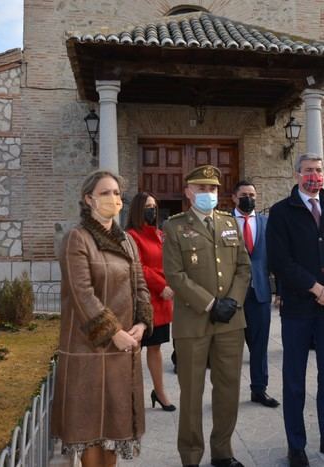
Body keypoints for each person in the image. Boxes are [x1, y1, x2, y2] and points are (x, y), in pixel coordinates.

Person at [52, 170, 153, 467]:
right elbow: (82, 294)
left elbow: (140, 286)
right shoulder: (77, 239)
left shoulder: (127, 241)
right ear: (88, 199)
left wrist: (141, 324)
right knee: (90, 432)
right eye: (105, 193)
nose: (114, 199)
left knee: (114, 429)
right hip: (89, 351)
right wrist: (114, 332)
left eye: (117, 194)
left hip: (122, 351)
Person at [267, 153, 324, 467]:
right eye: (308, 170)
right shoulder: (281, 212)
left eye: (319, 171)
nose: (314, 176)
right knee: (294, 380)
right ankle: (296, 446)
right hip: (298, 309)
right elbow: (280, 261)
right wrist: (317, 289)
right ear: (296, 175)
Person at [162, 165, 251, 467]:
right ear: (187, 192)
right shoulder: (174, 227)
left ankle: (223, 452)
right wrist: (212, 304)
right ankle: (190, 456)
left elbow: (244, 267)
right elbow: (175, 275)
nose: (207, 194)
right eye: (201, 189)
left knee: (228, 390)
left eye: (212, 189)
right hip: (193, 322)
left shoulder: (229, 223)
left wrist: (232, 302)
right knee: (191, 393)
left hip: (230, 323)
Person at [231, 180, 279, 408]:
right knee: (230, 347)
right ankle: (227, 393)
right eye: (243, 194)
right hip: (232, 294)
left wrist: (278, 290)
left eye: (251, 194)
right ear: (234, 197)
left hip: (260, 292)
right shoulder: (224, 223)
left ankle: (259, 389)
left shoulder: (267, 223)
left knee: (259, 346)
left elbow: (276, 259)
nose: (248, 198)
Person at [126, 191, 176, 412]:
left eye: (154, 207)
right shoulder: (130, 236)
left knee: (155, 349)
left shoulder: (159, 234)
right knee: (134, 349)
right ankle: (132, 396)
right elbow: (138, 266)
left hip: (163, 301)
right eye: (148, 206)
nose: (152, 210)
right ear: (138, 209)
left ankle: (160, 392)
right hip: (144, 298)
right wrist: (160, 284)